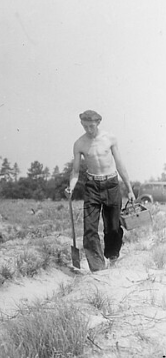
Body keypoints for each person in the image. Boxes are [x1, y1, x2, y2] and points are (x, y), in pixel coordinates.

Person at [65, 110, 135, 272]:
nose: (89, 129)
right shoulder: (79, 144)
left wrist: (129, 189)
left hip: (111, 184)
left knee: (113, 227)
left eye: (91, 126)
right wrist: (71, 187)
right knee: (89, 228)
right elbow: (75, 171)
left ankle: (112, 256)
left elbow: (120, 164)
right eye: (85, 126)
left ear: (98, 123)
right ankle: (98, 269)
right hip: (92, 187)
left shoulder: (110, 139)